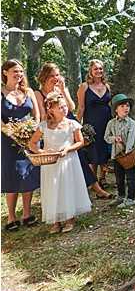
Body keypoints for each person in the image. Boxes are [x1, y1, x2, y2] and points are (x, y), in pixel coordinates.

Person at [35, 62, 113, 199]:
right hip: (54, 130)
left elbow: (71, 107)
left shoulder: (59, 89)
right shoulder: (39, 93)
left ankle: (96, 189)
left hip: (69, 125)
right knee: (64, 162)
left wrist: (64, 90)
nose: (56, 78)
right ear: (44, 77)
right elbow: (42, 116)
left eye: (57, 75)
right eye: (52, 75)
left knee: (81, 157)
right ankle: (68, 194)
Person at [29, 92, 92, 234]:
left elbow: (80, 142)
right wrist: (42, 152)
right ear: (51, 109)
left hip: (68, 162)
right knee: (53, 189)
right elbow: (32, 143)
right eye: (60, 107)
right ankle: (55, 220)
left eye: (65, 106)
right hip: (50, 164)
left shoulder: (72, 124)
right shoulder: (44, 126)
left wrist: (68, 148)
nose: (64, 109)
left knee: (67, 188)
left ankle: (70, 218)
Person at [1, 60, 41, 231]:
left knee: (28, 175)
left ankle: (26, 213)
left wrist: (32, 134)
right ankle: (11, 217)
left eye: (20, 71)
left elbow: (37, 115)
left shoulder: (29, 91)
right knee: (12, 176)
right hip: (8, 140)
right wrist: (14, 134)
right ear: (5, 73)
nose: (18, 74)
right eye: (15, 71)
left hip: (29, 140)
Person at [77, 59, 112, 188]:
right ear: (90, 71)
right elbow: (81, 107)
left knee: (105, 148)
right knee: (93, 151)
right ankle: (93, 180)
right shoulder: (84, 87)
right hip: (91, 123)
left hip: (106, 121)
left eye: (100, 68)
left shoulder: (107, 86)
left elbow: (109, 105)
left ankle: (103, 178)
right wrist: (76, 125)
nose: (99, 71)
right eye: (96, 69)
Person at [105, 94, 135, 208]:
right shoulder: (111, 123)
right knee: (119, 178)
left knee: (130, 177)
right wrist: (114, 139)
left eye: (127, 105)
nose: (126, 108)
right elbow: (106, 137)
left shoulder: (131, 123)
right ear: (116, 109)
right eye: (122, 106)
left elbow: (131, 140)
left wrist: (127, 152)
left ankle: (131, 198)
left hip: (127, 155)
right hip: (116, 155)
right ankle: (121, 196)